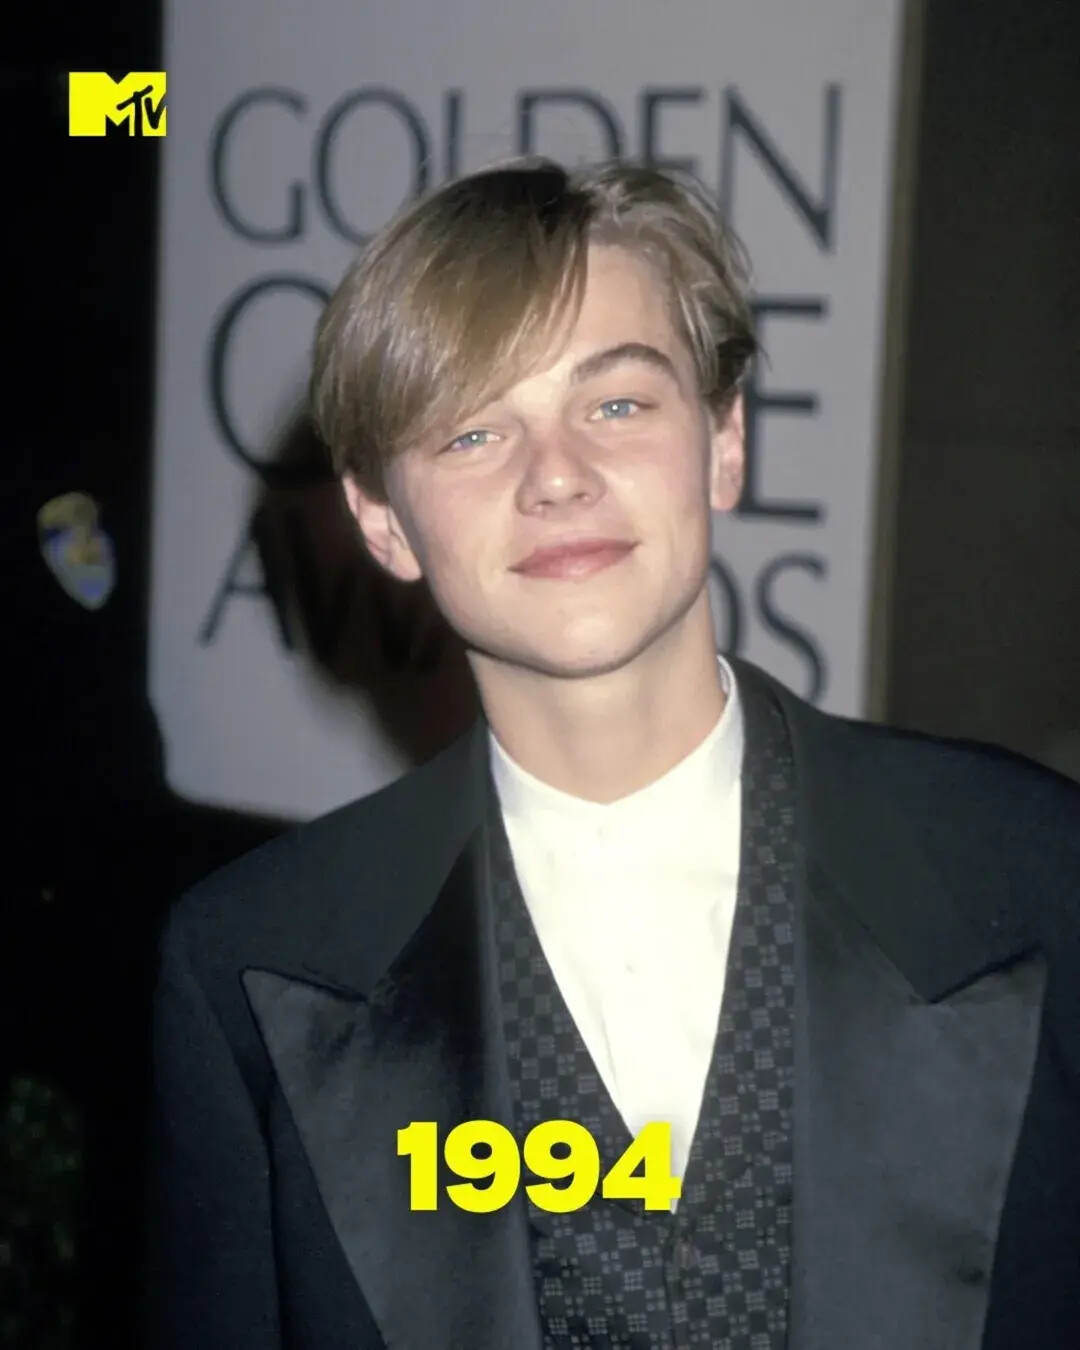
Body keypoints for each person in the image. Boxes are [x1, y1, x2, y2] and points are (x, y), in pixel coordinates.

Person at [144, 158, 1080, 1350]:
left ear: (725, 441)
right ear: (383, 521)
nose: (557, 476)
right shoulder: (247, 961)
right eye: (473, 430)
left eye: (619, 404)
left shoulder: (1032, 868)